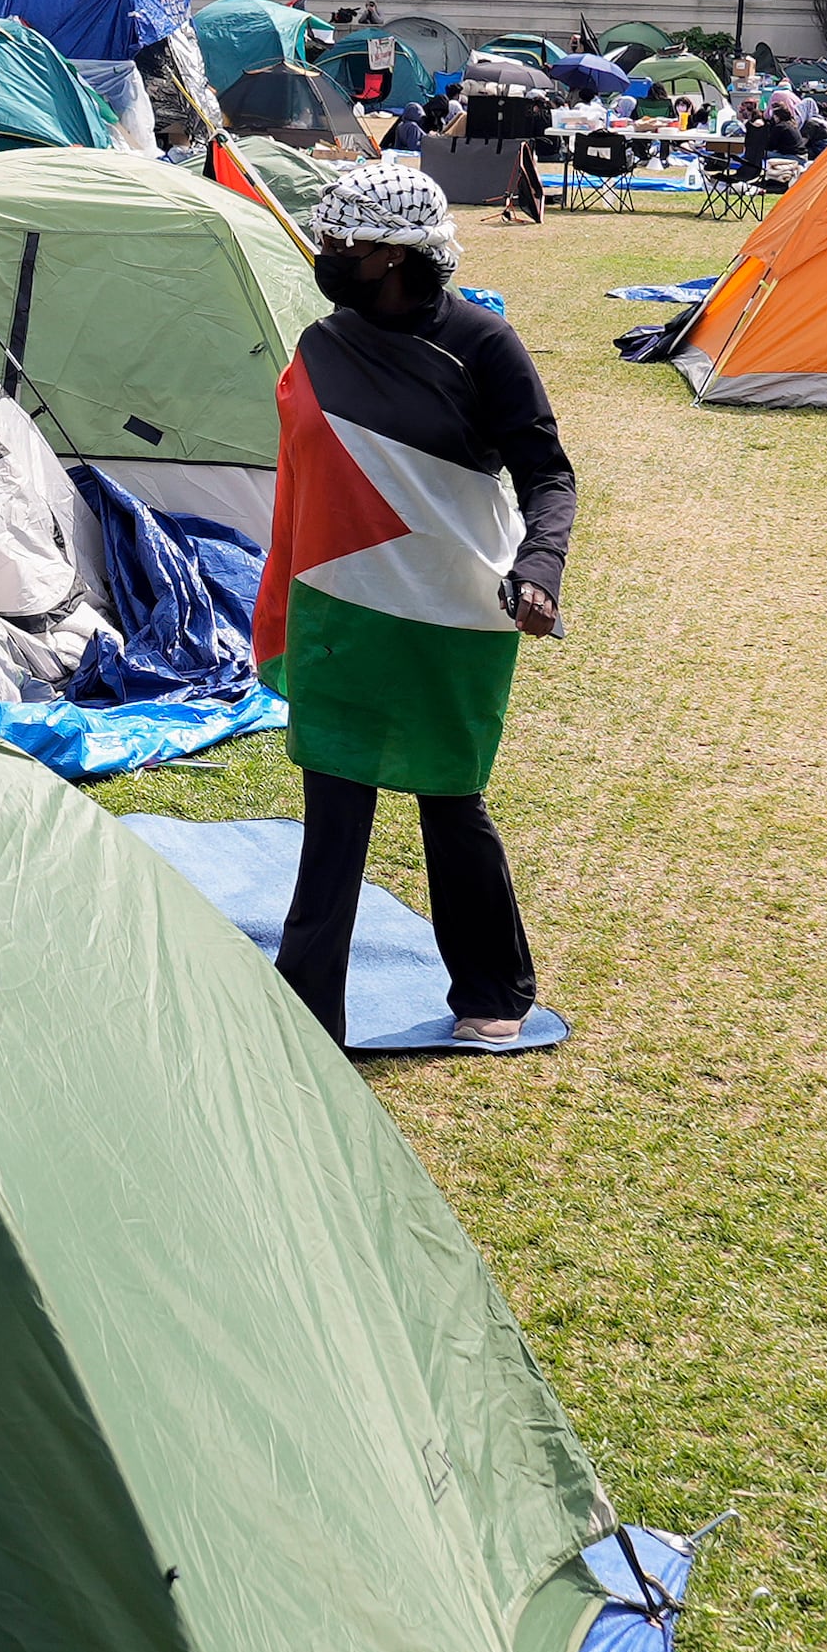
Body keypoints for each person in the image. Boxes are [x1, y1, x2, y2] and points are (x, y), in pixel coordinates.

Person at [256, 160, 574, 1049]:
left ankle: (495, 988)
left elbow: (547, 473)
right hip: (342, 605)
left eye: (342, 244)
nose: (328, 256)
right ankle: (308, 1009)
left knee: (450, 797)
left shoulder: (482, 345)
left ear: (395, 257)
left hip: (453, 608)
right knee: (336, 804)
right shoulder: (325, 342)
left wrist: (540, 566)